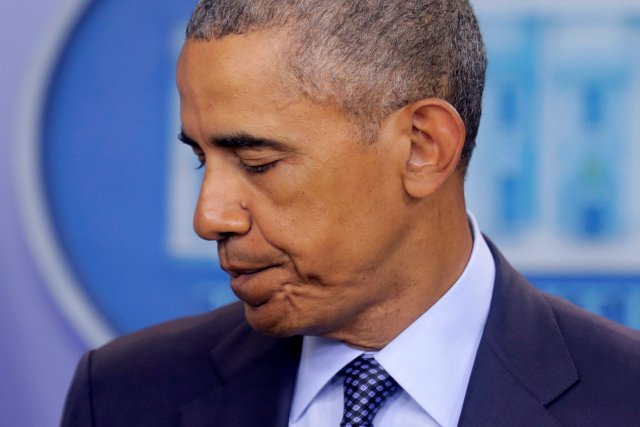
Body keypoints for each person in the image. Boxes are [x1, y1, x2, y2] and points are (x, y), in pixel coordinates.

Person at [61, 1, 640, 426]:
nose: (209, 216)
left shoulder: (625, 397)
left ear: (423, 147)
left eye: (258, 162)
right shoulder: (120, 396)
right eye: (200, 160)